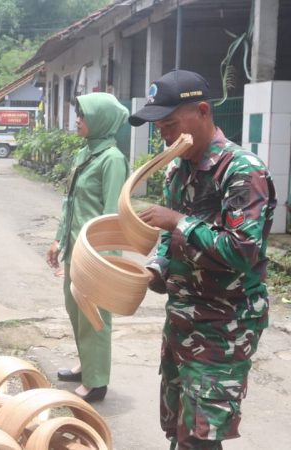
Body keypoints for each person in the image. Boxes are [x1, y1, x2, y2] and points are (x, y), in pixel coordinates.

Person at [131, 70, 276, 450]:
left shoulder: (243, 170)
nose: (163, 134)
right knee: (179, 427)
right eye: (158, 127)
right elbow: (169, 242)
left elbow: (243, 250)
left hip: (224, 326)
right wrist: (153, 269)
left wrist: (179, 221)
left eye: (170, 124)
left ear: (202, 111)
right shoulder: (178, 171)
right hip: (183, 320)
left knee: (201, 437)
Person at [46, 92, 129, 402]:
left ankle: (96, 381)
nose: (78, 120)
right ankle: (87, 364)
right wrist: (59, 240)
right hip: (76, 249)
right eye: (78, 113)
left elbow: (112, 215)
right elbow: (70, 202)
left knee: (94, 316)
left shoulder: (112, 160)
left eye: (84, 115)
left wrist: (105, 261)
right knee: (75, 309)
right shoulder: (86, 153)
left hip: (97, 253)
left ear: (101, 120)